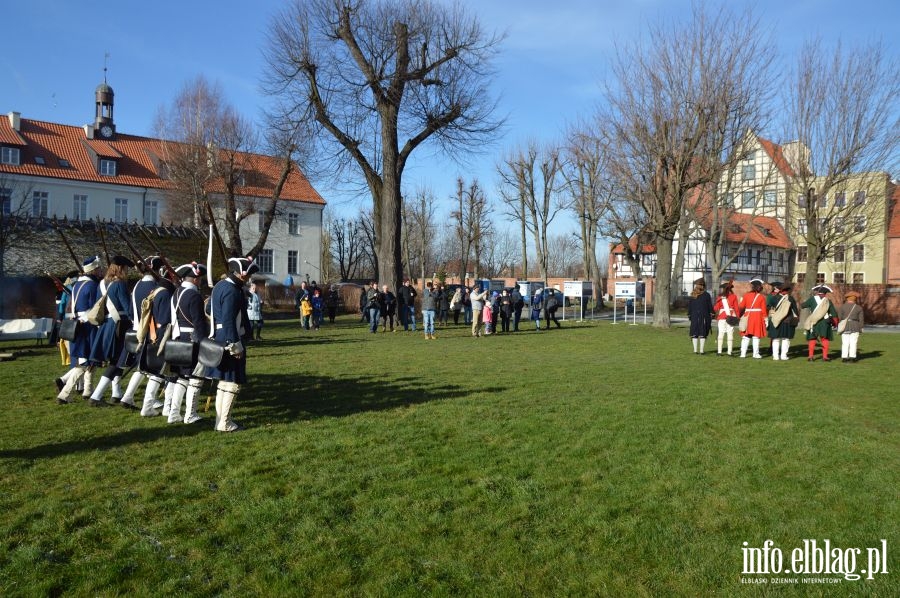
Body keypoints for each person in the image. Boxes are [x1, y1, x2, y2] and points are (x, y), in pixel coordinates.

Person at [207, 256, 258, 432]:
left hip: (221, 336)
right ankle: (225, 422)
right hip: (230, 337)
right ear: (242, 274)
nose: (249, 278)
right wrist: (235, 345)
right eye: (248, 274)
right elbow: (229, 320)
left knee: (224, 381)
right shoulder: (232, 290)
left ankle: (220, 421)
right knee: (233, 382)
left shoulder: (221, 286)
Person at [87, 255, 135, 407]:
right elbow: (127, 307)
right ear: (121, 268)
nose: (127, 271)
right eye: (125, 268)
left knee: (118, 361)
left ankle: (116, 393)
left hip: (107, 325)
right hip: (118, 326)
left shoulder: (102, 283)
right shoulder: (119, 284)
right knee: (117, 362)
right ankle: (96, 397)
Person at [167, 262, 209, 425]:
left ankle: (174, 413)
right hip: (192, 339)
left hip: (178, 338)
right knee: (195, 377)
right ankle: (190, 414)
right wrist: (204, 341)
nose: (200, 282)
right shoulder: (194, 295)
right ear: (195, 279)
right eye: (199, 279)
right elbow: (198, 322)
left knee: (182, 378)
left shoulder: (177, 292)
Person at [57, 256, 102, 404]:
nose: (100, 271)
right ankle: (64, 394)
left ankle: (88, 390)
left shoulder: (76, 285)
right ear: (93, 270)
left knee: (90, 360)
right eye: (98, 268)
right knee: (85, 362)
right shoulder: (93, 286)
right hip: (88, 326)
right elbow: (96, 308)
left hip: (79, 324)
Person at [139, 268, 177, 417]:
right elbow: (166, 319)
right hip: (162, 335)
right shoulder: (165, 293)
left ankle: (148, 406)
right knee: (169, 373)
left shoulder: (155, 291)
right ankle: (166, 407)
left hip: (153, 334)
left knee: (157, 373)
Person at [801, 285, 838, 362]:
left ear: (818, 293)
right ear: (825, 294)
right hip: (825, 322)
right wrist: (835, 323)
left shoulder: (812, 299)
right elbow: (834, 313)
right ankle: (825, 357)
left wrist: (808, 300)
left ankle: (810, 357)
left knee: (812, 339)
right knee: (824, 339)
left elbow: (803, 306)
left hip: (813, 322)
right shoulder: (828, 301)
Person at [766, 281, 799, 361]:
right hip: (785, 321)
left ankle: (778, 356)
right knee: (782, 339)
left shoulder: (774, 298)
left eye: (787, 290)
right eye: (785, 290)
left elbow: (769, 307)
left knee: (780, 339)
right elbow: (795, 311)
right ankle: (780, 356)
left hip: (780, 321)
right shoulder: (789, 299)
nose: (786, 291)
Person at [738, 278, 768, 359]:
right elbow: (764, 310)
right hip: (757, 317)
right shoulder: (761, 297)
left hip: (748, 316)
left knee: (746, 336)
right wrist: (766, 319)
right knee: (756, 337)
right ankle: (755, 354)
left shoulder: (746, 295)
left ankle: (743, 354)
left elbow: (741, 306)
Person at [687, 278, 713, 354]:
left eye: (702, 285)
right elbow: (690, 306)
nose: (701, 286)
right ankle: (695, 350)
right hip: (695, 316)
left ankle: (701, 350)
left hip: (704, 316)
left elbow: (709, 306)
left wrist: (712, 313)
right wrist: (690, 314)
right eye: (700, 285)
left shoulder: (706, 295)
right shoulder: (693, 295)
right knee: (694, 333)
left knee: (703, 333)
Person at [713, 282, 739, 356]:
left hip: (722, 317)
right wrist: (737, 317)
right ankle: (729, 352)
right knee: (730, 334)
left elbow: (715, 308)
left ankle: (719, 352)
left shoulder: (720, 297)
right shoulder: (734, 296)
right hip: (730, 316)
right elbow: (736, 308)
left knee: (721, 334)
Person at [838, 291, 864, 362]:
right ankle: (852, 357)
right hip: (855, 326)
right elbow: (861, 320)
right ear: (855, 299)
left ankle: (844, 357)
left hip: (845, 326)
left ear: (847, 299)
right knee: (853, 342)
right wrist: (861, 327)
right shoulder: (859, 308)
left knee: (845, 342)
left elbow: (839, 318)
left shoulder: (842, 307)